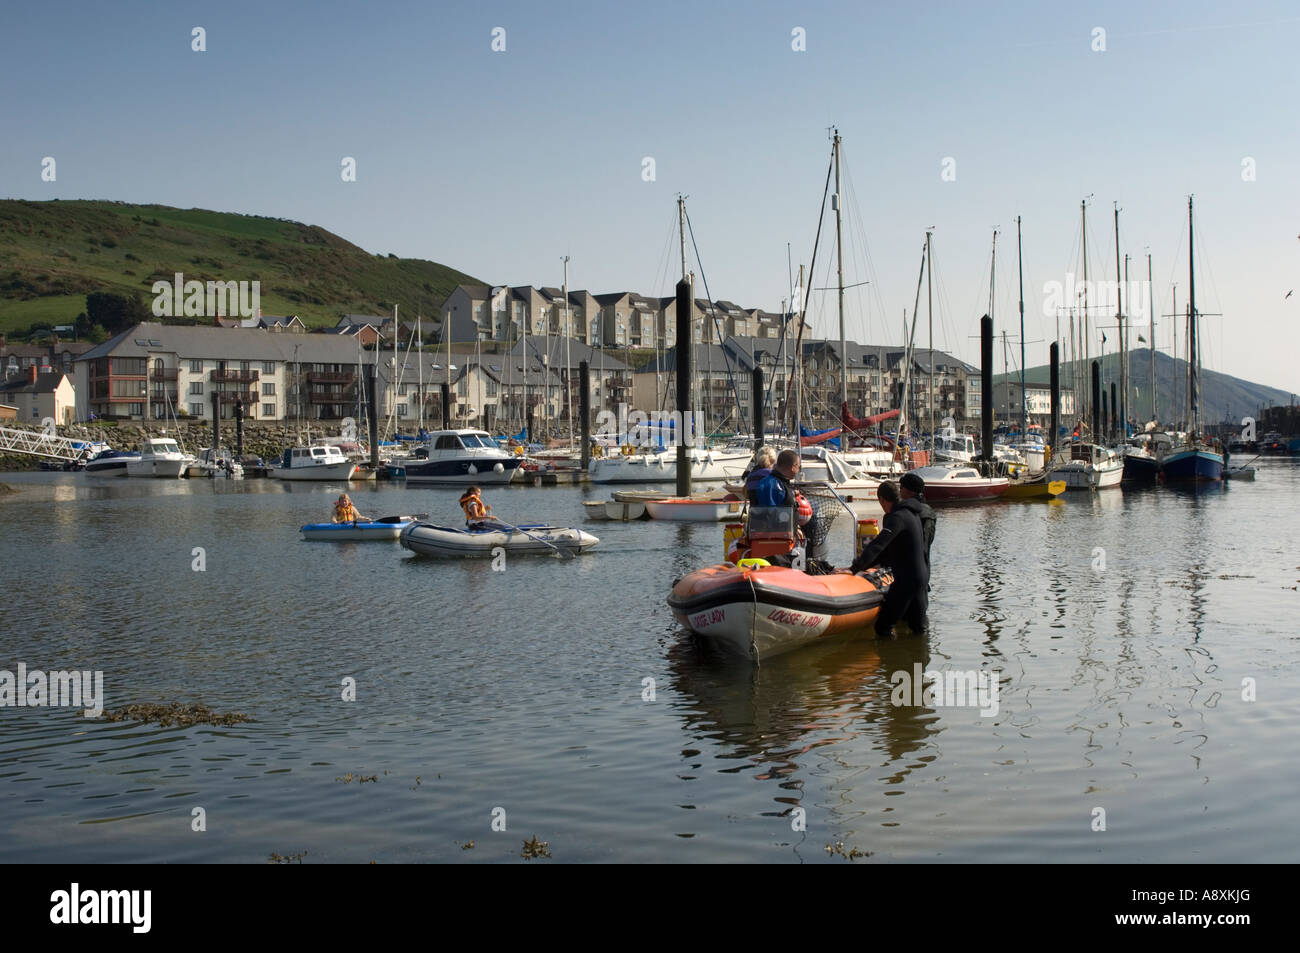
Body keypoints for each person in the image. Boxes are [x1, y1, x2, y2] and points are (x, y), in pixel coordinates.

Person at [849, 480, 928, 637]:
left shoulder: (897, 518)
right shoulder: (912, 514)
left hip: (907, 581)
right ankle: (917, 660)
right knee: (918, 628)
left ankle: (890, 661)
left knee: (883, 626)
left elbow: (878, 545)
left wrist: (854, 568)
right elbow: (890, 550)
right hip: (921, 578)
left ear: (882, 500)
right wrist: (867, 565)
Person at [898, 471, 937, 576]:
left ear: (911, 491)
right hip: (922, 570)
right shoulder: (928, 510)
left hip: (914, 572)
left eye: (902, 487)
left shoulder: (919, 513)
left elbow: (923, 546)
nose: (899, 490)